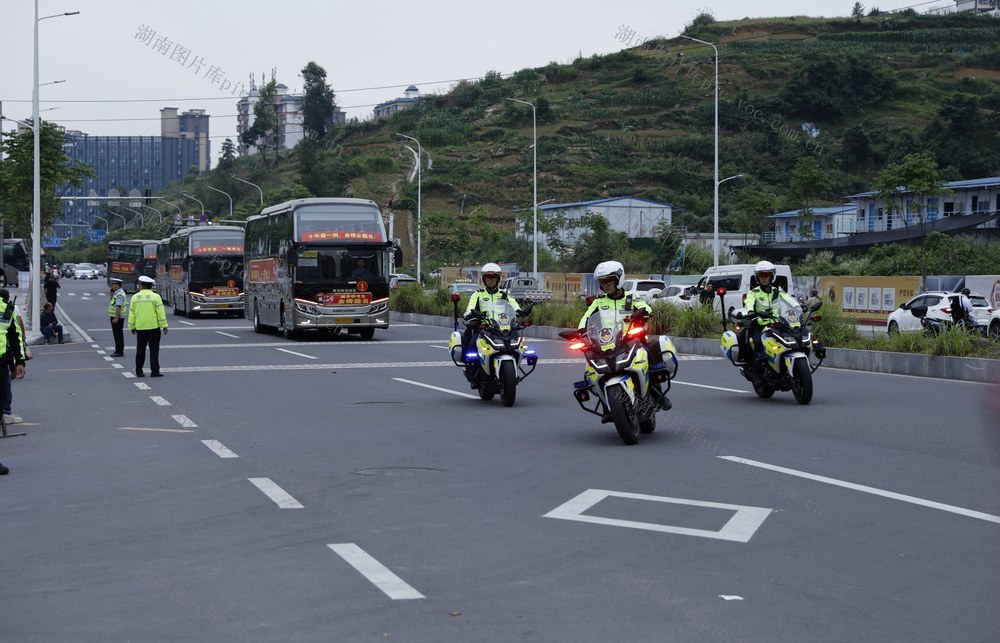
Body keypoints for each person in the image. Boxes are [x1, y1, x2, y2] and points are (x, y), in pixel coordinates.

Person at [577, 260, 669, 409]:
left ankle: (657, 393)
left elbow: (645, 307)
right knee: (590, 366)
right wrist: (581, 330)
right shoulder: (599, 302)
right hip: (607, 342)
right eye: (602, 282)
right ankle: (605, 400)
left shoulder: (631, 297)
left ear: (619, 279)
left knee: (648, 353)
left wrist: (643, 312)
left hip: (630, 338)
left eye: (608, 281)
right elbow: (586, 317)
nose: (605, 285)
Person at [462, 263, 521, 363]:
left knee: (518, 344)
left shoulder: (505, 294)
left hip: (504, 328)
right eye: (487, 277)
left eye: (493, 276)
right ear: (483, 279)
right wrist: (469, 313)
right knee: (472, 343)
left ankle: (514, 367)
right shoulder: (478, 294)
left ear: (498, 278)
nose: (490, 279)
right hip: (485, 328)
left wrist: (519, 311)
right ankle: (471, 366)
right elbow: (470, 307)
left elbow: (514, 304)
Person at [737, 260, 786, 362]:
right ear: (757, 278)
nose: (764, 278)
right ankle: (759, 362)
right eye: (761, 276)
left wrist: (800, 306)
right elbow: (749, 302)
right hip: (760, 325)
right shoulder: (754, 292)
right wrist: (750, 311)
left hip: (777, 324)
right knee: (758, 341)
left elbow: (789, 300)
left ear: (771, 277)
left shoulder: (778, 291)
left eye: (766, 275)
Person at [128, 275, 168, 377]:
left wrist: (132, 327)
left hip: (140, 328)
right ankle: (154, 371)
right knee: (154, 350)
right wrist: (164, 325)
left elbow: (132, 314)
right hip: (153, 327)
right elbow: (161, 312)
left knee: (140, 350)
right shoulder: (156, 297)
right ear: (151, 286)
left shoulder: (135, 297)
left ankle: (139, 371)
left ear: (141, 285)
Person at [0, 288, 26, 432]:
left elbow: (15, 337)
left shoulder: (7, 308)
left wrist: (20, 361)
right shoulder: (7, 307)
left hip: (1, 362)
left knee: (3, 393)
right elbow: (16, 337)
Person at [108, 278, 127, 357]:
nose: (112, 285)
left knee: (118, 334)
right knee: (117, 334)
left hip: (118, 318)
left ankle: (119, 351)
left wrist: (116, 318)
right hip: (115, 317)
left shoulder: (119, 294)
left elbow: (118, 307)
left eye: (113, 284)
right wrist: (111, 293)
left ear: (117, 285)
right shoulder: (116, 293)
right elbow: (112, 302)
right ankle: (118, 350)